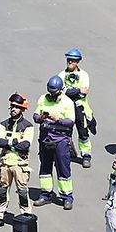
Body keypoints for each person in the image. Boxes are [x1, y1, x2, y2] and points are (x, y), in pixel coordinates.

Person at [0, 94, 35, 228]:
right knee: (2, 191)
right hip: (5, 163)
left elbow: (25, 145)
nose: (13, 109)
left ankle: (26, 215)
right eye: (12, 106)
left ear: (22, 109)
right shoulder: (4, 124)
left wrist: (8, 143)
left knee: (22, 191)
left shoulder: (28, 126)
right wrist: (14, 142)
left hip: (20, 164)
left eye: (16, 107)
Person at [34, 75, 77, 209]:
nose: (52, 96)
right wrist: (41, 117)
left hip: (61, 140)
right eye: (50, 93)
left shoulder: (67, 102)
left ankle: (67, 197)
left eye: (54, 93)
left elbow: (71, 121)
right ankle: (45, 194)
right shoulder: (43, 99)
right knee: (45, 167)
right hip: (45, 138)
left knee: (63, 169)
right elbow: (35, 115)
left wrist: (57, 119)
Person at [60, 48, 95, 165]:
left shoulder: (83, 75)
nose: (70, 62)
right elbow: (60, 91)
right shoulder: (61, 75)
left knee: (83, 131)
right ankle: (68, 150)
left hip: (80, 107)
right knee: (64, 130)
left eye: (73, 61)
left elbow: (83, 92)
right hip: (65, 107)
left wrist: (70, 91)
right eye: (69, 60)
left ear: (78, 62)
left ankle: (86, 155)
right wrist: (76, 90)